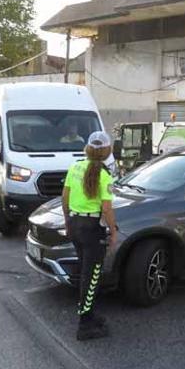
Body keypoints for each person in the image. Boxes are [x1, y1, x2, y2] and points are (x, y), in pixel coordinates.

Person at [62, 131, 118, 341]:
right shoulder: (104, 175)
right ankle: (85, 325)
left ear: (87, 148)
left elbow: (65, 198)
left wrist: (68, 222)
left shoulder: (75, 167)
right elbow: (107, 209)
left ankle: (89, 314)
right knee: (92, 276)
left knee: (86, 273)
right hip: (92, 228)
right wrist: (114, 232)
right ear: (106, 150)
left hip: (76, 225)